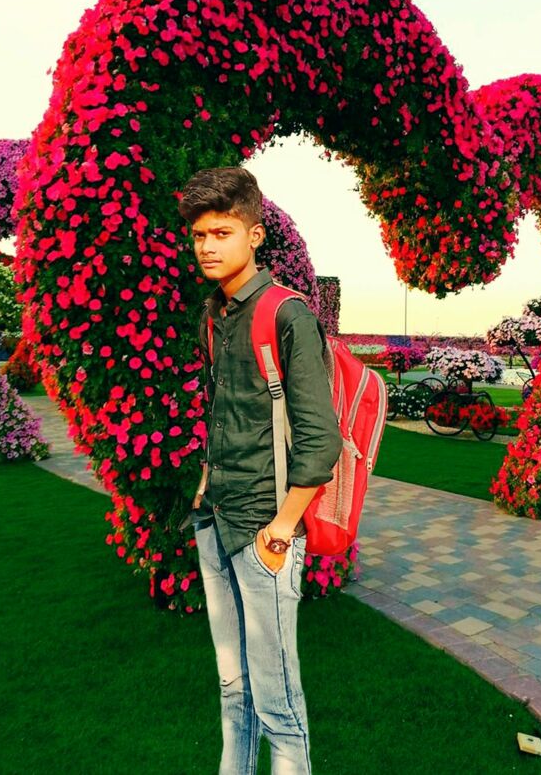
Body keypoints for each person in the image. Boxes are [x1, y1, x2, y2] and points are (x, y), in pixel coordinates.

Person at [178, 167, 342, 775]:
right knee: (233, 689)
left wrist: (282, 528)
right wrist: (204, 485)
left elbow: (321, 441)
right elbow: (224, 411)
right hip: (216, 519)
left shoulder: (286, 313)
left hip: (264, 532)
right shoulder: (215, 313)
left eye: (221, 232)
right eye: (199, 235)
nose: (207, 246)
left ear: (255, 235)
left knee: (277, 700)